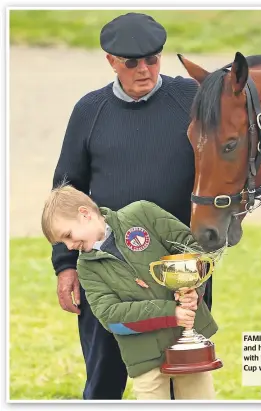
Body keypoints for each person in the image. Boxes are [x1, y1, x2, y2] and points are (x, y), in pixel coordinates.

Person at [51, 12, 213, 399]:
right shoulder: (89, 111)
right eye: (131, 62)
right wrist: (65, 266)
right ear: (111, 61)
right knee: (105, 377)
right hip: (105, 268)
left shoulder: (190, 99)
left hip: (178, 265)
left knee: (184, 376)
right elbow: (65, 192)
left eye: (152, 59)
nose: (144, 69)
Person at [41, 184, 217, 400]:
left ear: (84, 214)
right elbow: (111, 317)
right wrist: (172, 313)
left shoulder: (143, 213)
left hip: (192, 347)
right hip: (144, 360)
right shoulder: (86, 269)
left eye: (68, 235)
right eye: (63, 242)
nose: (68, 246)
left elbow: (192, 248)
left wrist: (193, 290)